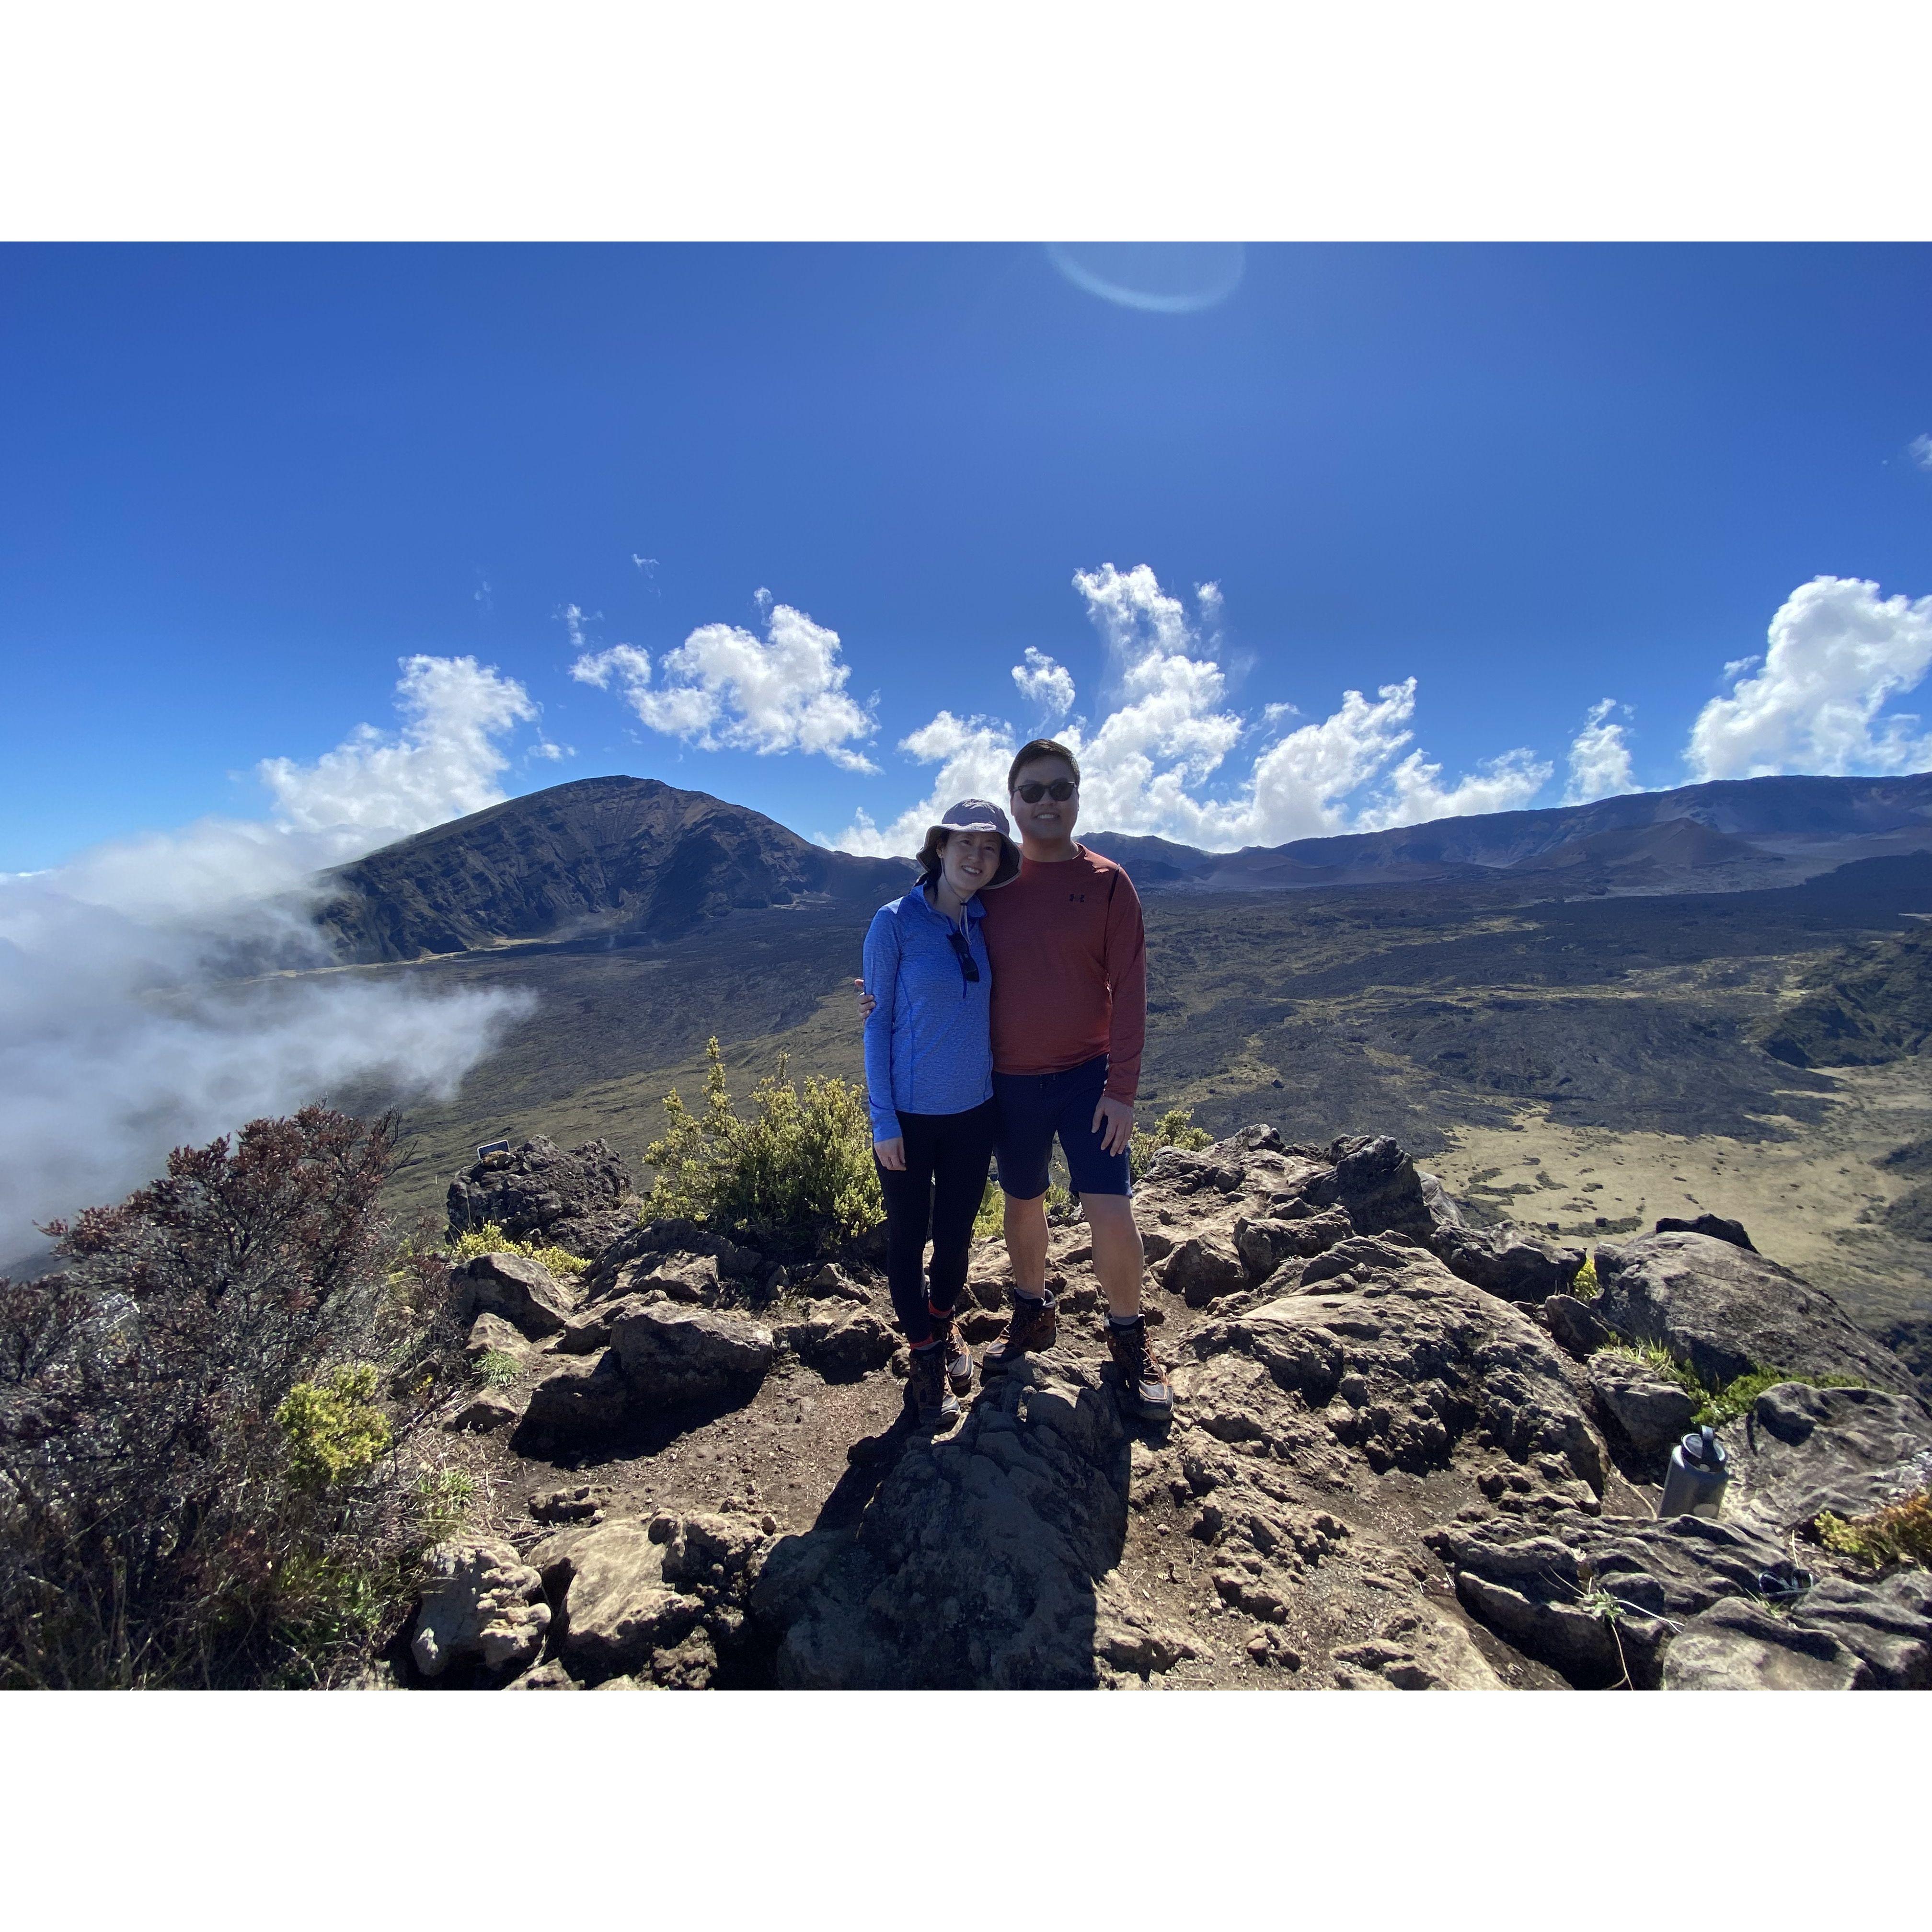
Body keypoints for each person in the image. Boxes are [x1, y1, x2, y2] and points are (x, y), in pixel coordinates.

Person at [859, 739, 1173, 1424]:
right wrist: (878, 1000)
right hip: (1006, 1084)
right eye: (1032, 791)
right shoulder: (988, 892)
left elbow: (1132, 989)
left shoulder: (1107, 883)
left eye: (1059, 788)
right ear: (1014, 802)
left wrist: (1122, 1089)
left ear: (1078, 796)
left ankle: (1129, 1339)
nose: (1046, 801)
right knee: (1023, 1202)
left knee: (1109, 1208)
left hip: (1088, 1079)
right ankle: (1032, 1312)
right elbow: (919, 956)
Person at [862, 799, 1020, 1426]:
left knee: (955, 1238)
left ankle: (941, 1318)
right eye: (966, 844)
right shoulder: (894, 922)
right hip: (909, 1116)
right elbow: (876, 1027)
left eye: (990, 848)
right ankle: (925, 1356)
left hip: (974, 1113)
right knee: (908, 1237)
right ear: (940, 848)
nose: (976, 857)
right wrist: (883, 1121)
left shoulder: (985, 920)